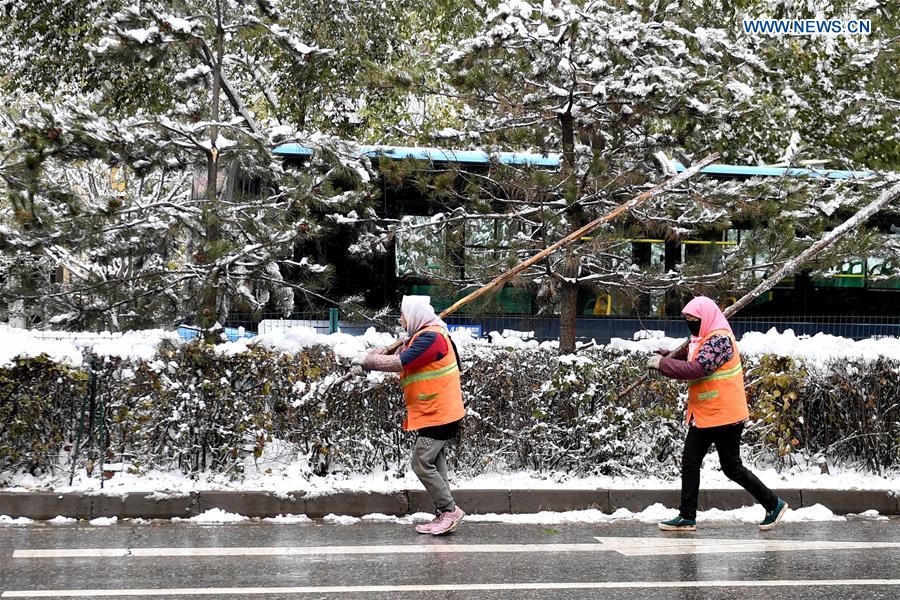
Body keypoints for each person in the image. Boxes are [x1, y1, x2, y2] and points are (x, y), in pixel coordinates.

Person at [646, 296, 788, 532]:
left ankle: (773, 504)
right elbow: (690, 357)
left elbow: (698, 368)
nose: (691, 324)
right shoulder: (703, 338)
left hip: (723, 415)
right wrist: (665, 356)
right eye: (688, 320)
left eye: (693, 320)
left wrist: (662, 364)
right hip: (708, 413)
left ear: (706, 318)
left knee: (728, 466)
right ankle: (687, 516)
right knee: (695, 462)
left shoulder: (719, 340)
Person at [352, 295, 466, 535]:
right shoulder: (424, 336)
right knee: (435, 462)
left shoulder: (431, 338)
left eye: (403, 315)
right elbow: (399, 354)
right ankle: (444, 513)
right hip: (435, 411)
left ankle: (450, 511)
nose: (400, 319)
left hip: (440, 413)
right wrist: (378, 353)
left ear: (414, 315)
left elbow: (401, 362)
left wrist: (367, 361)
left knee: (421, 462)